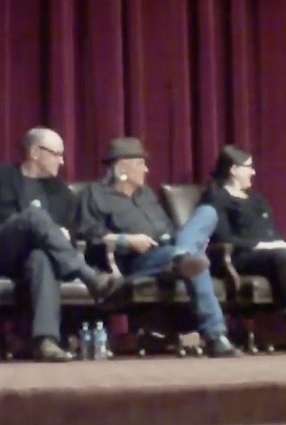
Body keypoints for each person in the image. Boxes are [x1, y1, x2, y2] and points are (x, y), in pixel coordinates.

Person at [75, 137, 243, 357]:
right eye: (140, 164)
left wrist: (190, 240)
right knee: (193, 260)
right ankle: (216, 336)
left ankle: (182, 257)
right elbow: (87, 234)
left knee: (207, 213)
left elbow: (170, 229)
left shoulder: (147, 195)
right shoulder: (94, 194)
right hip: (137, 260)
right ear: (122, 167)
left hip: (169, 249)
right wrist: (127, 240)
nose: (146, 169)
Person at [0, 127, 121, 362]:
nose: (61, 161)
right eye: (57, 154)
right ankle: (88, 275)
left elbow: (70, 230)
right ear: (36, 152)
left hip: (35, 258)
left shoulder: (61, 191)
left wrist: (59, 232)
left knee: (41, 257)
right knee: (34, 217)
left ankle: (45, 340)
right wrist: (19, 223)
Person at [200, 145, 286, 353]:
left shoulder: (257, 199)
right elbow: (223, 237)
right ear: (233, 169)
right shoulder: (216, 198)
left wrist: (285, 243)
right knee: (283, 258)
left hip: (270, 253)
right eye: (248, 167)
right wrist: (266, 246)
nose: (253, 172)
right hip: (239, 256)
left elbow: (271, 234)